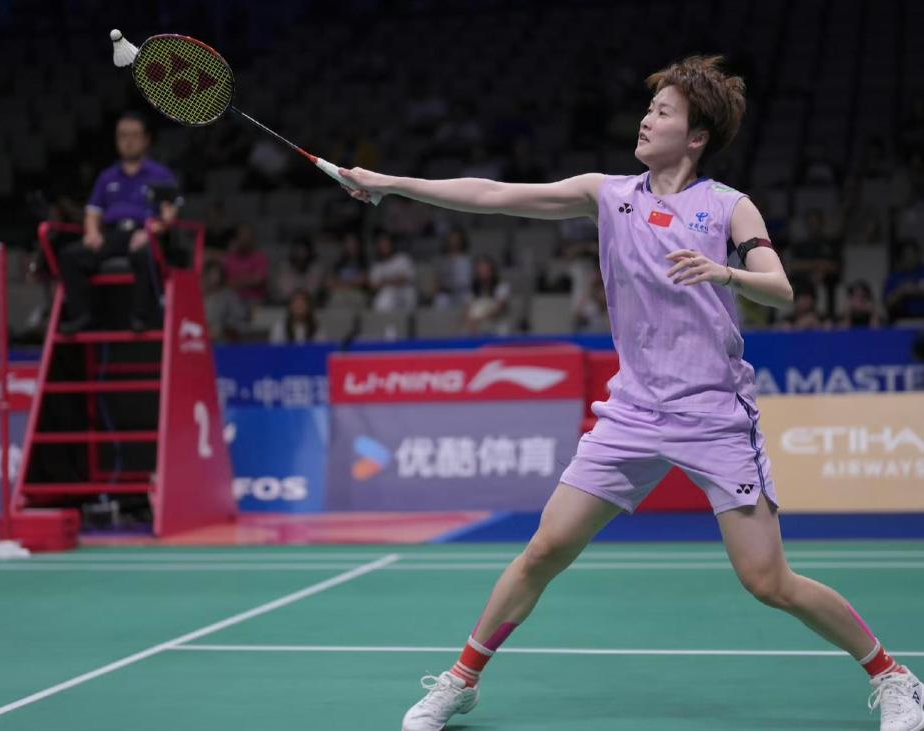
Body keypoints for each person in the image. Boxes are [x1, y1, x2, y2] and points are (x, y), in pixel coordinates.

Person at [339, 55, 922, 731]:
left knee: (768, 581)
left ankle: (893, 676)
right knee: (544, 550)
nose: (646, 120)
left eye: (663, 112)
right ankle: (461, 680)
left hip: (713, 416)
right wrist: (390, 183)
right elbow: (494, 194)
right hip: (633, 412)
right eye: (649, 109)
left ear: (695, 136)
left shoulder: (728, 206)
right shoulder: (608, 194)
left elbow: (781, 288)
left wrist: (724, 273)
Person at [58, 112, 179, 333]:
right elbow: (93, 212)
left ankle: (141, 318)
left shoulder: (161, 174)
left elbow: (169, 215)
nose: (128, 141)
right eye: (122, 135)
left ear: (146, 140)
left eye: (134, 135)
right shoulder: (107, 177)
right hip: (113, 235)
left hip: (145, 234)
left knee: (143, 255)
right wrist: (92, 233)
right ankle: (83, 317)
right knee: (70, 256)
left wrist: (150, 232)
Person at [369, 230, 417, 312]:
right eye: (382, 245)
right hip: (386, 293)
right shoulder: (377, 265)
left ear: (392, 244)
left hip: (404, 291)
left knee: (410, 294)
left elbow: (408, 277)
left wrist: (386, 281)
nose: (385, 247)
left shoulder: (403, 258)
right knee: (383, 301)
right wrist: (393, 281)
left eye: (387, 244)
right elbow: (374, 286)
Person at [222, 224, 269, 305]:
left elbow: (259, 281)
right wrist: (249, 278)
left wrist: (236, 281)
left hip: (254, 301)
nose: (244, 239)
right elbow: (225, 283)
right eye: (242, 236)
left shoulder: (260, 257)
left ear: (252, 239)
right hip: (231, 300)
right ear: (236, 238)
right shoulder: (229, 258)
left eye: (247, 236)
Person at [465, 255, 511, 335]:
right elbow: (468, 309)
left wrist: (481, 318)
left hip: (497, 324)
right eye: (480, 270)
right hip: (478, 326)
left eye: (486, 270)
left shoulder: (502, 286)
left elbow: (499, 307)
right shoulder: (473, 288)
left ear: (492, 270)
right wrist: (471, 321)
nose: (483, 272)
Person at [883, 241, 924, 323]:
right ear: (900, 257)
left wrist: (916, 290)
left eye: (913, 253)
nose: (910, 257)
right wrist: (901, 291)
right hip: (902, 319)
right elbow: (887, 304)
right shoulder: (893, 278)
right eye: (906, 254)